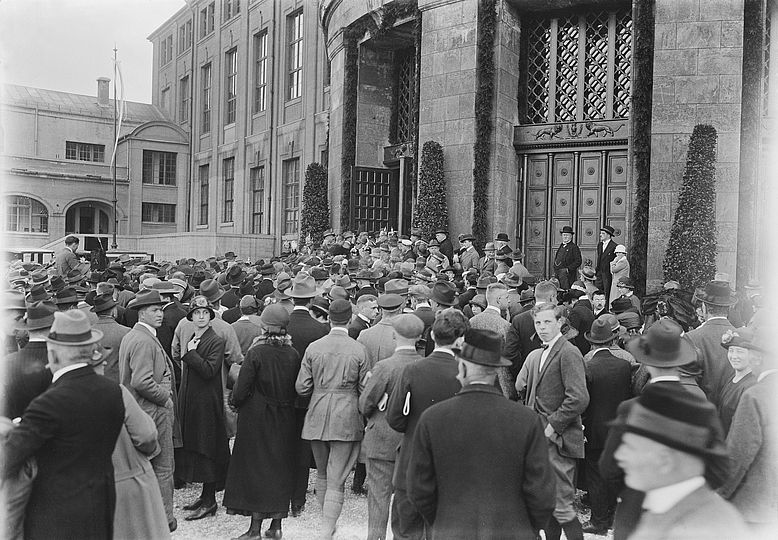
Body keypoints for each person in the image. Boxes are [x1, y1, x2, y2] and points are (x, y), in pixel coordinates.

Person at [406, 328, 555, 539]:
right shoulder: (526, 420)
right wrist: (528, 527)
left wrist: (442, 522)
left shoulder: (433, 418)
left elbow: (418, 488)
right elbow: (542, 491)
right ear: (495, 371)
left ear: (464, 368)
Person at [1, 310, 124, 539]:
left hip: (55, 520)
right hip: (100, 509)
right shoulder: (112, 391)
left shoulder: (48, 404)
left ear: (53, 354)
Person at [612, 384, 748, 540]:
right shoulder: (668, 509)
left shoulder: (700, 528)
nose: (620, 456)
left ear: (665, 461)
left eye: (630, 447)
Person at [386, 308, 469, 540]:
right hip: (453, 468)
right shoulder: (469, 374)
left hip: (413, 462)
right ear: (461, 339)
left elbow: (394, 418)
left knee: (406, 531)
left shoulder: (412, 370)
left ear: (432, 336)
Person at [224, 305, 301, 540]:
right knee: (280, 468)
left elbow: (241, 389)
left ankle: (255, 529)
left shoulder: (257, 353)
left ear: (264, 327)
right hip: (285, 417)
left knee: (257, 469)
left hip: (257, 418)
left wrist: (234, 402)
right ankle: (276, 526)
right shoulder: (293, 354)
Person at [295, 299, 369, 539]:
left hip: (316, 413)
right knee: (337, 479)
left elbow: (302, 387)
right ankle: (327, 530)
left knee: (323, 475)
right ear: (349, 319)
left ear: (329, 318)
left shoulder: (314, 347)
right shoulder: (359, 349)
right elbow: (365, 388)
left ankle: (326, 523)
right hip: (346, 415)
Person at [515, 302, 589, 540]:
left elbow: (578, 398)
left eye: (548, 322)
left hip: (558, 440)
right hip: (541, 438)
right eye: (538, 322)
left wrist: (552, 426)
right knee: (549, 504)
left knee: (562, 505)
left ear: (560, 323)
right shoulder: (543, 351)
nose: (542, 327)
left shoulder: (568, 351)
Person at [359, 314, 425, 540]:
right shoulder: (423, 365)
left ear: (395, 334)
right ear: (418, 337)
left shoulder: (384, 366)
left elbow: (365, 403)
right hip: (413, 440)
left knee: (378, 496)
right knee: (407, 498)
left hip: (382, 436)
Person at [94, 350, 170, 540]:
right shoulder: (117, 392)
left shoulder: (54, 399)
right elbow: (146, 436)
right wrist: (164, 396)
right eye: (100, 361)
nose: (104, 364)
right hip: (124, 481)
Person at [119, 289, 179, 531]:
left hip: (140, 410)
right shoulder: (144, 340)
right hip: (152, 410)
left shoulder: (135, 336)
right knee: (164, 467)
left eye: (161, 310)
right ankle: (165, 519)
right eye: (155, 310)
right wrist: (165, 398)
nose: (160, 314)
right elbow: (142, 381)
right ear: (141, 313)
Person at [175, 295, 230, 521]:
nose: (200, 317)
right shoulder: (192, 337)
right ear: (191, 316)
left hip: (207, 403)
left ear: (210, 316)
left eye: (205, 313)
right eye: (197, 313)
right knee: (197, 445)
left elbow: (209, 370)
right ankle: (204, 496)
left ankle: (210, 500)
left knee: (207, 447)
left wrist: (190, 354)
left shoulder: (215, 340)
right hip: (192, 402)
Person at [719, 327, 778, 537]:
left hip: (752, 505)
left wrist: (720, 493)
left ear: (758, 359)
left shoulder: (755, 395)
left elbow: (740, 451)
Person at [579, 319, 633, 535]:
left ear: (592, 344)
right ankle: (612, 517)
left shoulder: (588, 367)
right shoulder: (624, 366)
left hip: (594, 429)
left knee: (595, 476)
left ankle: (599, 522)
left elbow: (583, 400)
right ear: (612, 340)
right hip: (618, 428)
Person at [286, 273, 329, 516]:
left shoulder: (282, 325)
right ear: (312, 298)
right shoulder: (320, 329)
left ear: (292, 298)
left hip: (282, 396)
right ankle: (298, 500)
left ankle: (281, 493)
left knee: (282, 445)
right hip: (310, 397)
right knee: (303, 449)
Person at [683, 280, 737, 406]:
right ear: (728, 308)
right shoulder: (740, 336)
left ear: (704, 307)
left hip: (702, 415)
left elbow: (686, 385)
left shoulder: (691, 338)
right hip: (732, 413)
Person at [2, 302, 55, 420]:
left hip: (18, 431)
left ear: (28, 328)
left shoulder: (6, 362)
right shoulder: (59, 360)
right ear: (54, 327)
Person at [468, 282, 515, 399]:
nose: (509, 301)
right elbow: (509, 354)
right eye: (507, 297)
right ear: (499, 300)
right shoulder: (505, 325)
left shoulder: (472, 321)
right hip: (500, 384)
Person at [717, 327, 758, 435]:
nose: (734, 356)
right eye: (731, 351)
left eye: (740, 351)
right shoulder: (732, 377)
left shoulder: (750, 386)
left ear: (752, 355)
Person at [91, 292, 130, 383]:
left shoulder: (89, 332)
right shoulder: (126, 332)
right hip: (118, 382)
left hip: (94, 382)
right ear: (113, 311)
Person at [553, 226, 582, 290]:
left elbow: (578, 261)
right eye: (564, 235)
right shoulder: (561, 246)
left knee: (566, 291)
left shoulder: (574, 247)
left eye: (567, 235)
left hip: (568, 275)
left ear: (571, 236)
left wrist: (568, 269)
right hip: (558, 273)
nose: (565, 237)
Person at [595, 225, 617, 305]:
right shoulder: (600, 245)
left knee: (606, 291)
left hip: (607, 273)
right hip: (599, 272)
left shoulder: (614, 246)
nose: (600, 235)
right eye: (601, 233)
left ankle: (606, 308)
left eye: (603, 233)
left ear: (608, 235)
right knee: (598, 291)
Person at [608, 245, 629, 309]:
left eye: (619, 253)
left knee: (616, 297)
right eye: (617, 253)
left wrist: (613, 262)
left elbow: (613, 269)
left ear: (623, 254)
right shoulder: (621, 261)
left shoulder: (623, 262)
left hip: (619, 283)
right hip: (618, 283)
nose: (617, 254)